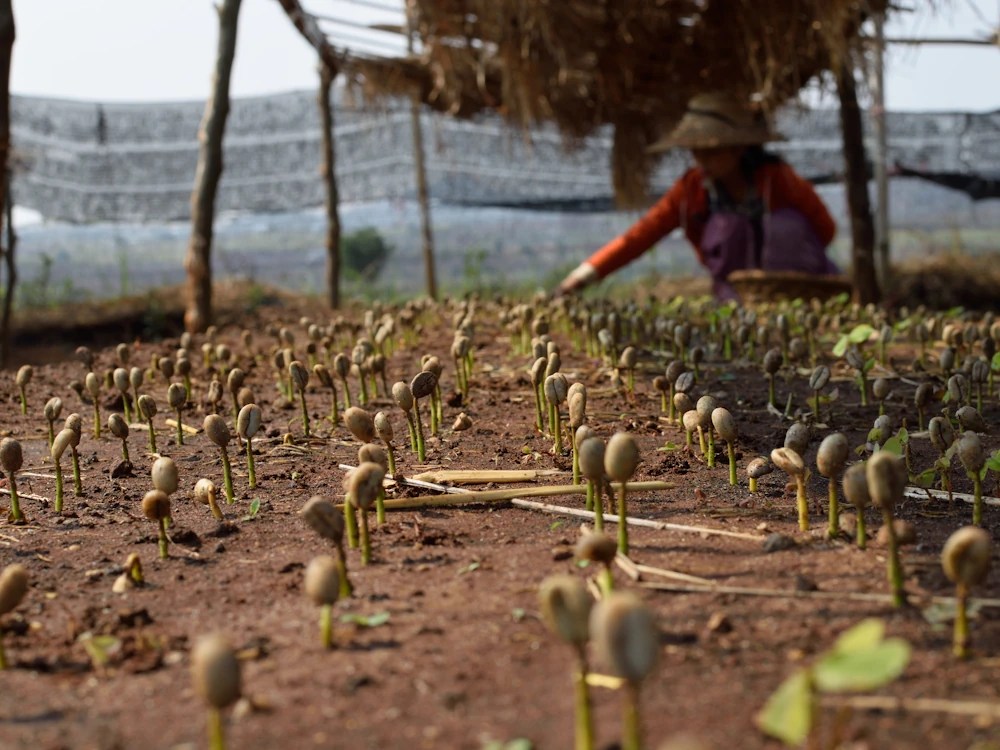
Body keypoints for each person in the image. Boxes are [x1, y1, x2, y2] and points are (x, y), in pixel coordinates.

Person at [557, 91, 840, 301]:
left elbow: (825, 228)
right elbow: (640, 235)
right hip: (736, 299)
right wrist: (583, 276)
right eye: (696, 151)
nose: (702, 160)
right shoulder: (691, 190)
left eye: (712, 151)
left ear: (738, 149)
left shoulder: (777, 178)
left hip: (807, 291)